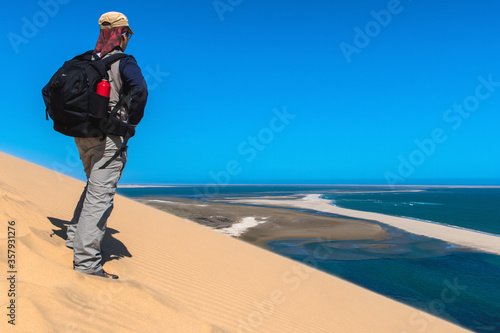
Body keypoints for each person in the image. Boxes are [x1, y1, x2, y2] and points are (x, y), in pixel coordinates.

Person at [64, 12, 148, 278]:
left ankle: (73, 237)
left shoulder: (87, 59)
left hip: (82, 135)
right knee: (101, 197)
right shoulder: (123, 61)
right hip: (108, 137)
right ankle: (87, 264)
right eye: (128, 34)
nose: (128, 39)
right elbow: (141, 90)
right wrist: (130, 123)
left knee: (93, 188)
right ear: (121, 33)